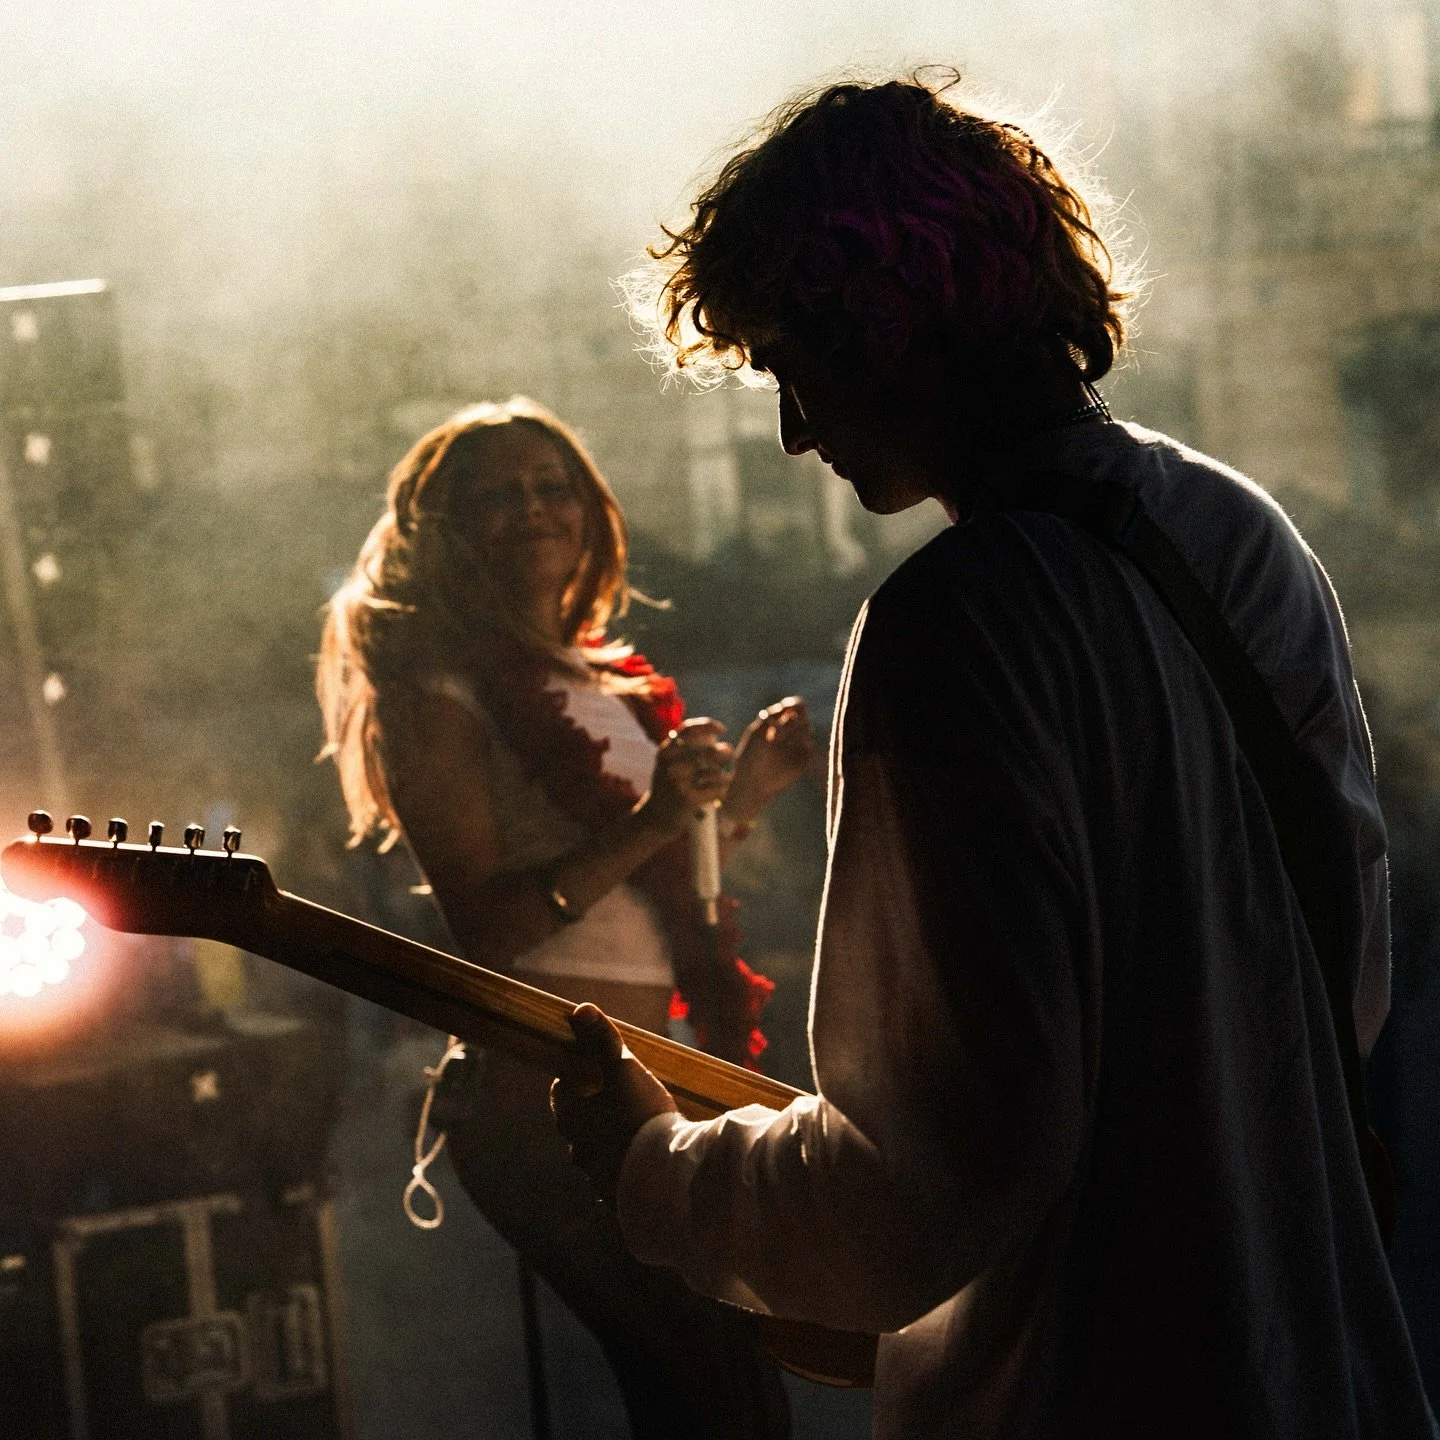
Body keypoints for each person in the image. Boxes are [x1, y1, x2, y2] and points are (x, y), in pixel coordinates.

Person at [551, 75, 1440, 1439]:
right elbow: (1344, 978)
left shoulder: (952, 627)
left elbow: (940, 1163)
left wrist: (657, 1167)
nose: (794, 428)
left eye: (796, 361)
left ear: (887, 317)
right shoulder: (1239, 532)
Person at [317, 396, 812, 1439]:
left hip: (650, 1073)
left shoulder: (606, 677)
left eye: (553, 488)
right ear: (443, 529)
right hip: (539, 1092)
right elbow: (489, 931)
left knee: (726, 1390)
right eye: (495, 497)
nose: (533, 510)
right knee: (709, 1388)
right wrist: (660, 814)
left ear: (591, 511)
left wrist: (747, 797)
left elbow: (662, 870)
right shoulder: (434, 687)